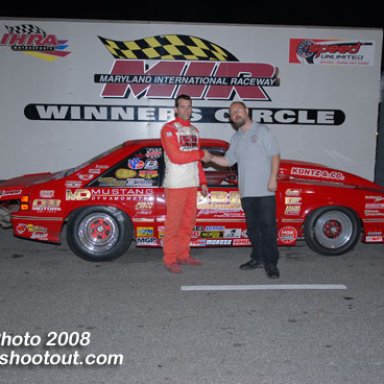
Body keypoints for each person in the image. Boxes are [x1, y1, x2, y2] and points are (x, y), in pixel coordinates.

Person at [207, 101, 281, 278]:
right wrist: (210, 157)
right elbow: (228, 161)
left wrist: (273, 177)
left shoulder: (262, 130)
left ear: (247, 111)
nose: (236, 114)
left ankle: (271, 264)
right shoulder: (236, 137)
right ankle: (258, 257)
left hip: (264, 191)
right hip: (247, 192)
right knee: (253, 229)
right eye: (232, 113)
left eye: (238, 110)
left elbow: (275, 155)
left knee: (268, 228)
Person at [161, 94, 210, 273]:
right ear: (176, 109)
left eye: (189, 107)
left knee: (188, 222)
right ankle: (169, 258)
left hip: (192, 184)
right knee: (173, 224)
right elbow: (177, 157)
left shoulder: (194, 131)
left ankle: (183, 254)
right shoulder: (169, 129)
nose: (186, 110)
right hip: (175, 184)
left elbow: (197, 161)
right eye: (182, 107)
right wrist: (201, 154)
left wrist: (203, 181)